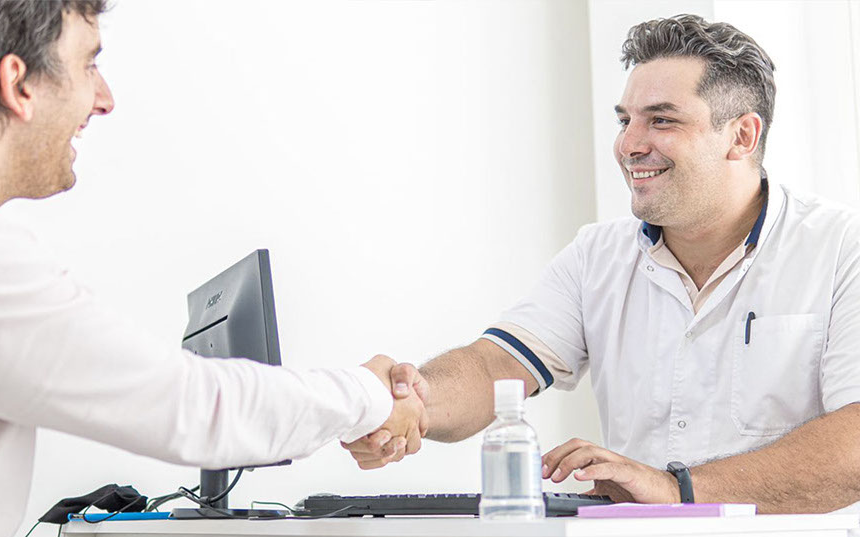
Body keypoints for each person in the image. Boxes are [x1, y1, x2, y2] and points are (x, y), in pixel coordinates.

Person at [0, 2, 426, 536]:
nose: (105, 98)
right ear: (18, 84)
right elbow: (189, 407)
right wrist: (369, 394)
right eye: (88, 64)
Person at [344, 14, 860, 514]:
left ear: (741, 136)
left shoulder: (841, 248)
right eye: (624, 121)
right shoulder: (598, 255)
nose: (629, 145)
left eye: (661, 120)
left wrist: (676, 490)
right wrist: (404, 400)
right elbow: (495, 367)